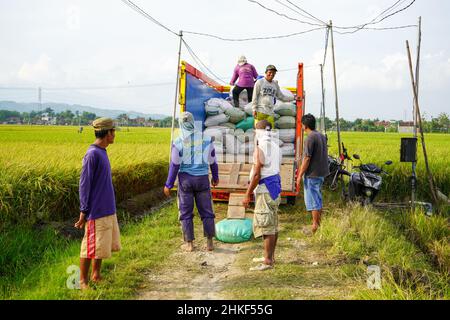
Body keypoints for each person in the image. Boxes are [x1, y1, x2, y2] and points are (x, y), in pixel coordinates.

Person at [75, 117, 121, 290]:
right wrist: (83, 210)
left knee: (101, 244)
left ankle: (96, 275)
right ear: (107, 133)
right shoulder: (92, 154)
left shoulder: (102, 151)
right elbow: (84, 184)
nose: (115, 135)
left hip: (107, 207)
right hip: (96, 209)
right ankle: (82, 281)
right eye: (113, 132)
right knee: (90, 245)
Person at [164, 112, 219, 252]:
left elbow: (174, 165)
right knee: (206, 211)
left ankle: (189, 244)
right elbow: (213, 160)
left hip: (186, 181)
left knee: (186, 212)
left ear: (181, 124)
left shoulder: (178, 142)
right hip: (202, 180)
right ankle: (209, 243)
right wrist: (215, 177)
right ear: (193, 122)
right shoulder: (206, 139)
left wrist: (168, 184)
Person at [243, 120, 282, 271]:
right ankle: (270, 257)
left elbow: (257, 174)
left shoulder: (261, 147)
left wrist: (247, 194)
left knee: (266, 226)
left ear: (257, 132)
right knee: (272, 224)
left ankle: (267, 261)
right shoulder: (276, 146)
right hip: (274, 188)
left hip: (265, 190)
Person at [296, 114, 329, 234]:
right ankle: (318, 224)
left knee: (313, 201)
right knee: (318, 199)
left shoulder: (310, 138)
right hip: (321, 173)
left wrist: (300, 175)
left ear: (304, 125)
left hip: (312, 174)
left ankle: (315, 226)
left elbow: (307, 158)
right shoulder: (320, 135)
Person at [252, 64, 295, 129]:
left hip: (270, 113)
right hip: (260, 111)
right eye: (270, 72)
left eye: (273, 73)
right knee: (259, 132)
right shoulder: (260, 82)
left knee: (270, 133)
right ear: (266, 72)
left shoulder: (275, 84)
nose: (271, 74)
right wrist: (254, 109)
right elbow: (254, 96)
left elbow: (282, 97)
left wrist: (293, 98)